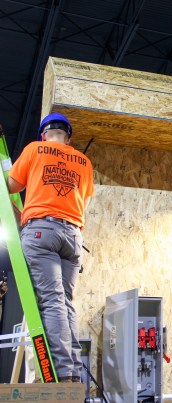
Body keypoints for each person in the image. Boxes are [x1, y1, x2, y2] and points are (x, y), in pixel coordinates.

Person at [8, 112, 94, 383]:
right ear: (68, 137)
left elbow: (11, 185)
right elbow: (84, 203)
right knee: (66, 302)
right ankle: (73, 371)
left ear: (44, 134)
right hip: (73, 237)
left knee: (52, 301)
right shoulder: (84, 162)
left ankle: (62, 372)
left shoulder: (35, 149)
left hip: (41, 231)